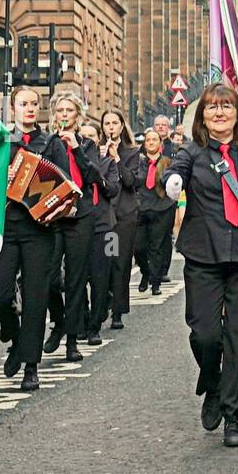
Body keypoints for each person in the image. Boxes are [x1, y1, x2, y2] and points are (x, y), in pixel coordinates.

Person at [164, 84, 238, 448]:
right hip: (204, 255)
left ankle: (233, 414)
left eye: (227, 106)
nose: (219, 112)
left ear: (237, 113)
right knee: (205, 334)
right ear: (202, 116)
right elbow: (174, 170)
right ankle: (211, 381)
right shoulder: (193, 152)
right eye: (212, 107)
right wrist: (173, 181)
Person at [0, 87, 70, 393]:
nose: (30, 109)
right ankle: (13, 337)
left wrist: (54, 204)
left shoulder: (50, 144)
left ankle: (31, 366)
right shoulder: (1, 142)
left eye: (35, 104)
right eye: (23, 104)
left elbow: (63, 184)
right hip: (6, 227)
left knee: (36, 297)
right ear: (13, 108)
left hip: (39, 230)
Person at [43, 92, 112, 360]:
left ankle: (72, 340)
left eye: (69, 110)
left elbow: (93, 175)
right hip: (53, 215)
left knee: (75, 278)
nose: (63, 114)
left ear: (77, 115)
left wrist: (75, 148)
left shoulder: (86, 144)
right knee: (49, 278)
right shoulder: (47, 142)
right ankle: (59, 321)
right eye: (59, 110)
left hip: (81, 215)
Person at [76, 121, 120, 342]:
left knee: (101, 276)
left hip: (105, 226)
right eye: (82, 135)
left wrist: (97, 177)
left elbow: (113, 190)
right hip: (78, 225)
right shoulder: (72, 161)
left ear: (99, 138)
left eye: (91, 135)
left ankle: (95, 325)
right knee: (78, 277)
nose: (87, 139)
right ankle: (81, 321)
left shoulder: (107, 163)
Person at [102, 110, 139, 329]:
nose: (111, 127)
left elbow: (131, 181)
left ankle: (117, 311)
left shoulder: (132, 152)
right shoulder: (97, 149)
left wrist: (116, 158)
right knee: (107, 259)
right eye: (107, 123)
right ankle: (105, 301)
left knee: (121, 262)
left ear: (122, 126)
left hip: (125, 215)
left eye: (115, 123)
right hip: (106, 215)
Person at [134, 128, 175, 294]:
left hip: (162, 208)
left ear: (160, 144)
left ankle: (156, 282)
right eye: (148, 140)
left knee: (156, 247)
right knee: (139, 248)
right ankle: (145, 272)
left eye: (154, 139)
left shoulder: (168, 163)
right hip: (141, 209)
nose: (151, 142)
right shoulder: (138, 163)